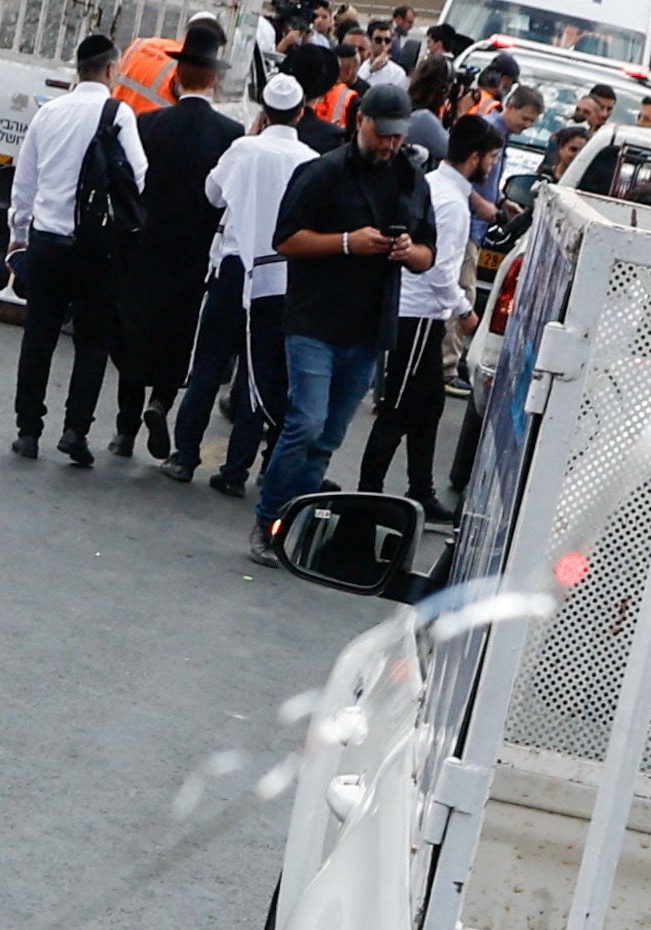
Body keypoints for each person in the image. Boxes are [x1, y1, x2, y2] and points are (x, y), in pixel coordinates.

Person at [254, 70, 437, 548]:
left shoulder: (412, 180)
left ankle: (296, 526)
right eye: (384, 134)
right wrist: (347, 243)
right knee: (306, 423)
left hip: (369, 327)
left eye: (399, 137)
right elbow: (287, 239)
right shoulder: (323, 172)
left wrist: (406, 251)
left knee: (329, 436)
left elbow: (427, 254)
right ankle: (268, 518)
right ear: (361, 122)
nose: (391, 145)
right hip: (315, 320)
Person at [7, 31, 147, 466]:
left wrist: (18, 235)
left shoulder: (49, 113)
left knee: (39, 335)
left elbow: (24, 183)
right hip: (97, 243)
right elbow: (139, 177)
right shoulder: (118, 113)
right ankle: (75, 430)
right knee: (92, 339)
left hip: (48, 240)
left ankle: (28, 431)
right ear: (109, 70)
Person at [117, 24, 244, 473]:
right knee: (177, 333)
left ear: (176, 75)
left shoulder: (148, 124)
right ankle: (162, 398)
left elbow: (131, 184)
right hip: (194, 254)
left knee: (136, 328)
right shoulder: (231, 134)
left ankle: (125, 427)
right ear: (213, 79)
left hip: (147, 246)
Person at [185, 53, 314, 486]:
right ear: (300, 113)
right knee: (261, 373)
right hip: (279, 278)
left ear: (264, 112)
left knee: (208, 363)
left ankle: (184, 456)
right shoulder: (309, 159)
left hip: (234, 268)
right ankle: (236, 468)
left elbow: (212, 195)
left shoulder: (244, 148)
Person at [356, 107, 486, 499]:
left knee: (428, 408)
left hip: (420, 316)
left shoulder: (434, 185)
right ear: (476, 157)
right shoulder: (451, 202)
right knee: (396, 410)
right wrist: (464, 309)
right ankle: (368, 492)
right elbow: (438, 269)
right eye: (491, 158)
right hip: (417, 316)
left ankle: (421, 491)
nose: (491, 166)